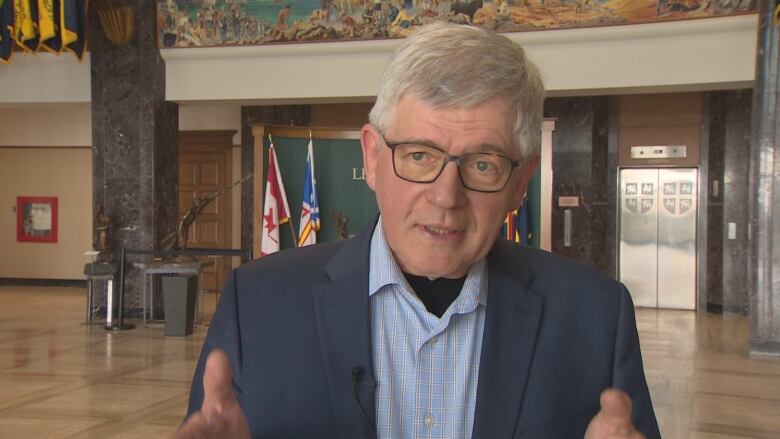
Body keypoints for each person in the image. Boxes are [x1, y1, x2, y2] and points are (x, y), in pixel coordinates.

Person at [175, 22, 661, 439]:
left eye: (484, 164)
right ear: (372, 157)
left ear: (520, 184)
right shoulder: (257, 303)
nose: (446, 196)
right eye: (420, 156)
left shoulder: (596, 315)